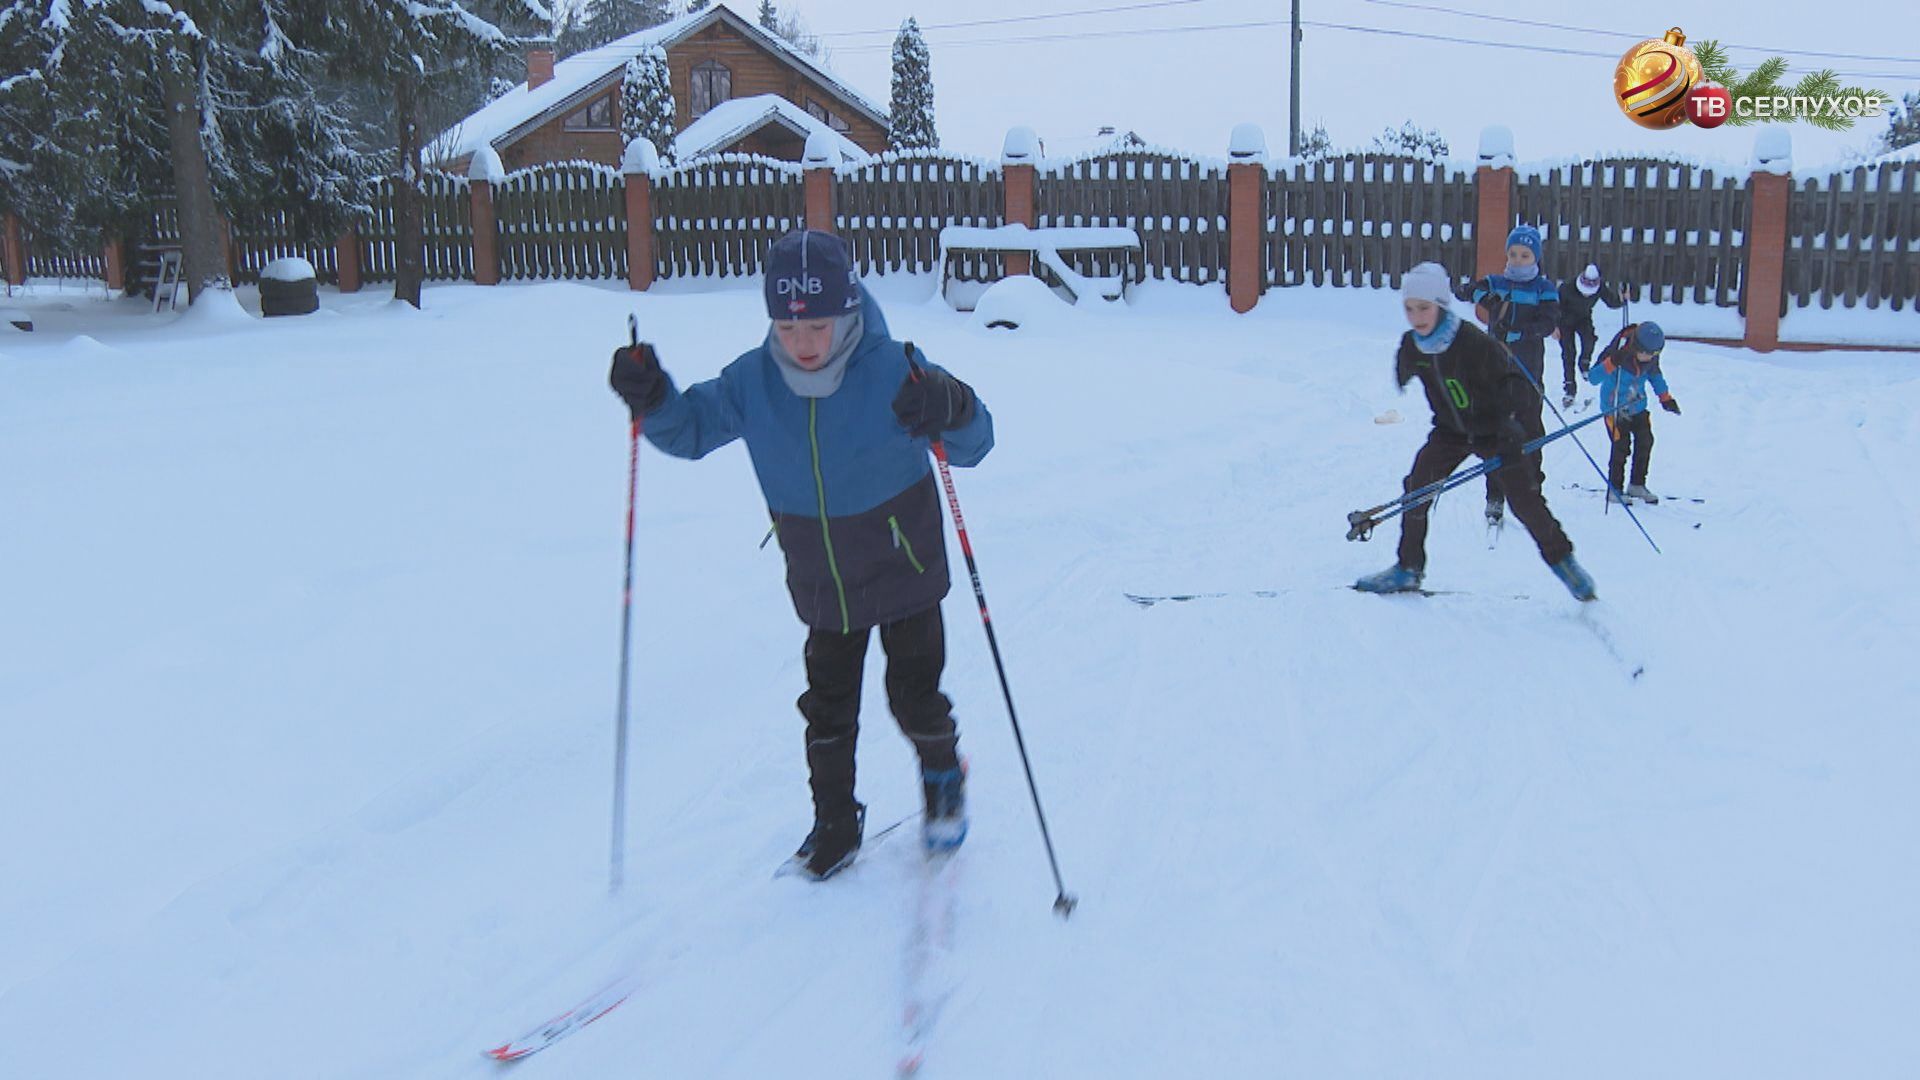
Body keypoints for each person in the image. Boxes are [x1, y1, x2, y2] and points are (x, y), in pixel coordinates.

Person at [607, 229, 994, 881]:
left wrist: (950, 403)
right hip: (823, 577)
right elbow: (690, 429)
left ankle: (942, 777)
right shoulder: (754, 382)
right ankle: (836, 822)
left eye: (817, 325)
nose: (803, 343)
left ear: (846, 311)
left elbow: (975, 443)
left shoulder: (893, 367)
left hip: (905, 567)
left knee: (913, 695)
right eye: (788, 329)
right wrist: (653, 399)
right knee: (827, 706)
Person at [1356, 262, 1596, 601]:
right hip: (1449, 433)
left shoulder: (1471, 341)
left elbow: (1514, 384)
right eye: (1409, 309)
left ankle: (1564, 562)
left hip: (1494, 431)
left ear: (1440, 305)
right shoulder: (1415, 344)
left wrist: (1513, 428)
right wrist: (1403, 367)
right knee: (1416, 491)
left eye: (1423, 308)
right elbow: (1407, 360)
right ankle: (1408, 568)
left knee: (1525, 499)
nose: (1416, 316)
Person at [1469, 224, 1561, 531]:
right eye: (1513, 254)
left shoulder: (1543, 288)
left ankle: (1533, 492)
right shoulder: (1498, 283)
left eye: (1525, 254)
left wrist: (1521, 331)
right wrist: (1487, 299)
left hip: (1528, 375)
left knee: (1531, 433)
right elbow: (1467, 289)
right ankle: (1495, 496)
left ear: (1535, 257)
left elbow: (1549, 322)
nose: (1518, 260)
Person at [1588, 320, 1681, 504]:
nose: (1650, 358)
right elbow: (1593, 377)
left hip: (1637, 406)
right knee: (1621, 447)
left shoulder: (1650, 359)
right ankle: (1615, 489)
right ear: (1637, 347)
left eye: (1655, 354)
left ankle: (1637, 485)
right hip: (1614, 409)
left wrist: (1665, 398)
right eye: (1647, 353)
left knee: (1646, 441)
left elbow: (1655, 376)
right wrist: (1613, 362)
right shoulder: (1617, 353)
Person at [1556, 263, 1625, 407]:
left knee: (1589, 340)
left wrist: (1622, 299)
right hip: (1564, 321)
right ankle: (1570, 389)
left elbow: (1611, 302)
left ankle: (1584, 363)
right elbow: (1554, 307)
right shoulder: (1566, 287)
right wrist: (1554, 326)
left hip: (1583, 318)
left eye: (1590, 292)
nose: (1586, 294)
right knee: (1568, 353)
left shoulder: (1600, 287)